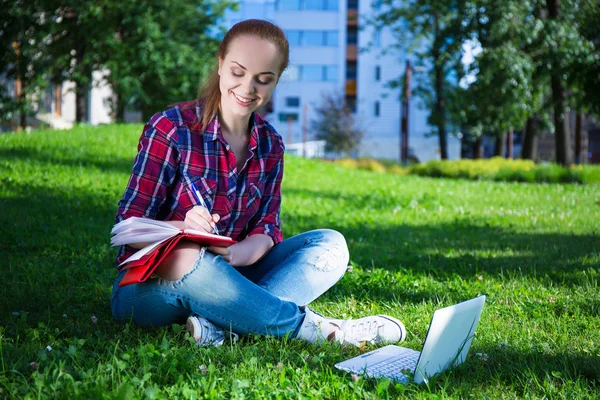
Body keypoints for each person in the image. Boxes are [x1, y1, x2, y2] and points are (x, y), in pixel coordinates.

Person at [110, 19, 406, 347]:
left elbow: (268, 227)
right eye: (238, 72)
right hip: (150, 286)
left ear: (276, 81)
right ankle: (326, 332)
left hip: (232, 277)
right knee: (191, 260)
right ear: (221, 64)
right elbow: (128, 226)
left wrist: (238, 254)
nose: (248, 89)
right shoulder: (171, 128)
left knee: (331, 245)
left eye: (264, 80)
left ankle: (221, 326)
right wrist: (183, 227)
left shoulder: (271, 145)